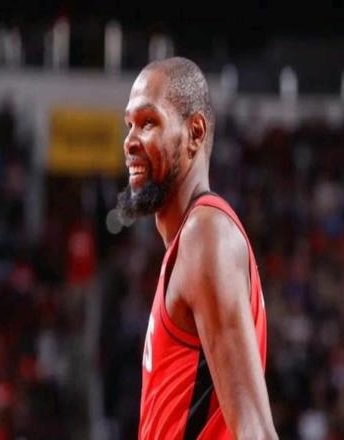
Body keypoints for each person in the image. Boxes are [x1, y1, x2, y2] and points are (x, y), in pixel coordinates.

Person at [117, 57, 278, 439]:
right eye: (129, 125)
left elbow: (255, 430)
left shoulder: (205, 235)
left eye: (148, 122)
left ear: (195, 133)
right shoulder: (190, 241)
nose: (130, 141)